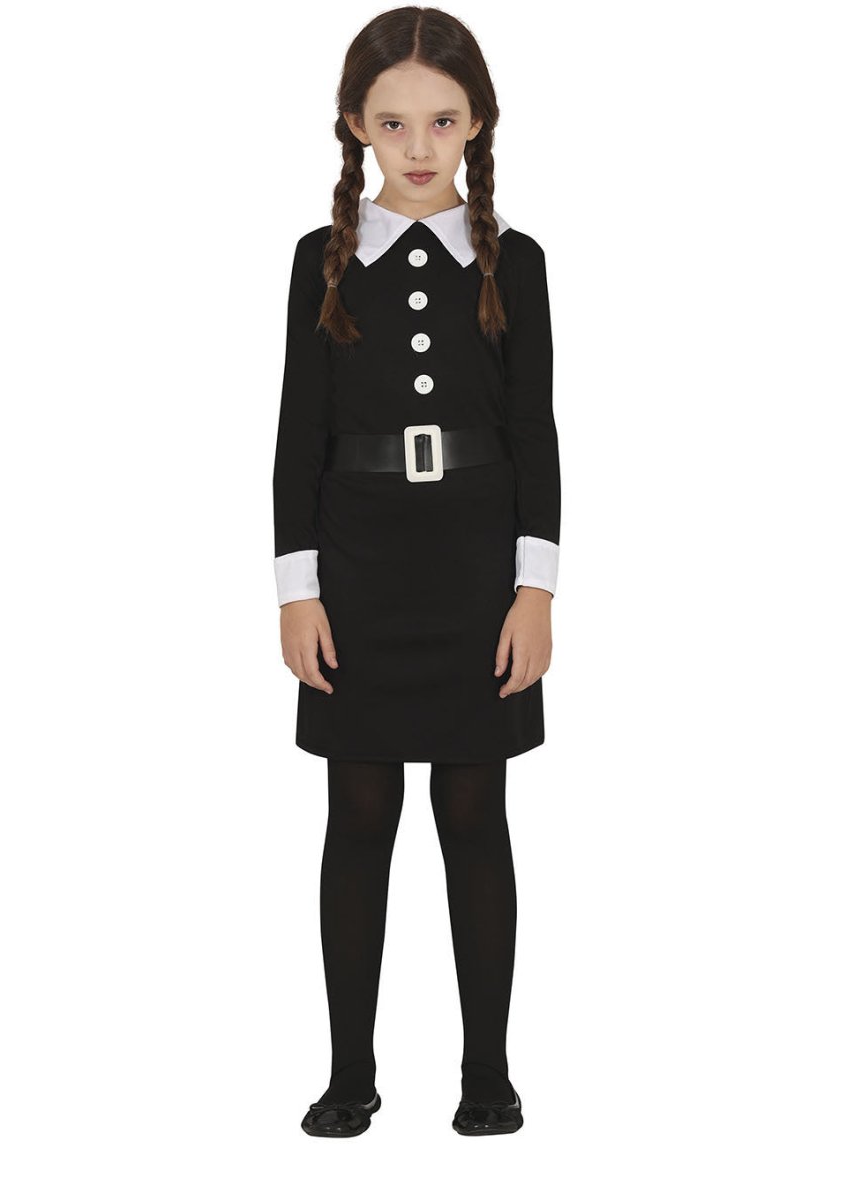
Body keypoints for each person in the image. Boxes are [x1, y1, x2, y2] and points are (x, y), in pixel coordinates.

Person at [272, 6, 560, 1138]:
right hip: (358, 567)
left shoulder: (515, 261)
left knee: (475, 811)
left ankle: (487, 1073)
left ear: (477, 121)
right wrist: (298, 590)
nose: (420, 145)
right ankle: (351, 1073)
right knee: (358, 812)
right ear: (356, 125)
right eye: (393, 123)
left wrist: (535, 589)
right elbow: (296, 435)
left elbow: (535, 431)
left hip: (478, 569)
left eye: (443, 120)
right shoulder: (323, 260)